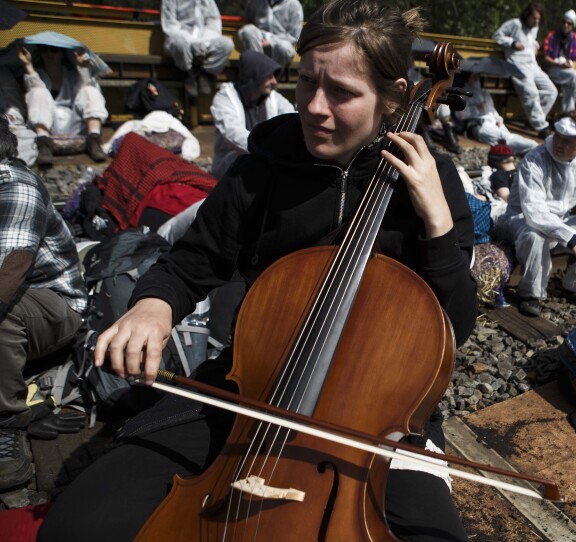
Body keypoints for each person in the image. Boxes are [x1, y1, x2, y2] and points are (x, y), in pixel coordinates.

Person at [37, 2, 476, 541]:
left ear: (394, 96)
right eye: (306, 82)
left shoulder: (433, 181)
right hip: (254, 389)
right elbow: (192, 261)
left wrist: (435, 222)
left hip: (379, 419)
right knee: (79, 527)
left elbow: (456, 324)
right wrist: (153, 305)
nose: (314, 107)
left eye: (341, 92)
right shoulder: (266, 166)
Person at [0, 114, 87, 491]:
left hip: (54, 307)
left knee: (2, 314)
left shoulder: (16, 186)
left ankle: (8, 424)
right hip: (20, 299)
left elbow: (6, 281)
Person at [494, 109, 576, 317]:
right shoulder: (535, 159)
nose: (559, 144)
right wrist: (573, 241)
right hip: (520, 220)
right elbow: (534, 212)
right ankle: (531, 293)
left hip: (560, 222)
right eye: (558, 137)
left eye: (568, 141)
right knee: (535, 236)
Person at [17, 41, 109, 166]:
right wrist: (28, 65)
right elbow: (34, 87)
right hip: (48, 128)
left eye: (54, 50)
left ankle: (94, 139)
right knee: (38, 91)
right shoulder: (38, 75)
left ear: (62, 54)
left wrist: (83, 68)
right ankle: (44, 145)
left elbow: (85, 90)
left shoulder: (72, 75)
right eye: (44, 49)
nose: (49, 54)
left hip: (74, 127)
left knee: (90, 90)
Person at [210, 50, 295, 180]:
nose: (274, 81)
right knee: (249, 160)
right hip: (230, 163)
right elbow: (234, 134)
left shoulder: (272, 97)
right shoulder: (224, 98)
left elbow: (292, 118)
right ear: (254, 75)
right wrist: (269, 150)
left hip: (268, 157)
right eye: (268, 75)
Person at [493, 3, 558, 139]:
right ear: (527, 15)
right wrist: (512, 43)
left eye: (538, 19)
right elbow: (497, 35)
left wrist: (535, 45)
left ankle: (533, 120)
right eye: (534, 18)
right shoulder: (515, 24)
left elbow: (531, 41)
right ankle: (541, 127)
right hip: (518, 64)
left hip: (533, 65)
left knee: (551, 91)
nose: (537, 21)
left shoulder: (534, 28)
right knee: (531, 93)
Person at [160, 0, 234, 97]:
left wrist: (203, 42)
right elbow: (171, 26)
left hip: (204, 39)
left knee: (226, 44)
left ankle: (205, 74)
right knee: (179, 44)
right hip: (182, 38)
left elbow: (214, 24)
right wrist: (192, 42)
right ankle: (188, 74)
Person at [457, 71, 538, 155]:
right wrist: (477, 108)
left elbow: (492, 110)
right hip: (479, 125)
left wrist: (498, 118)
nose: (477, 79)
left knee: (507, 135)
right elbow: (460, 115)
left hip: (494, 122)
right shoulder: (463, 95)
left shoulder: (485, 93)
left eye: (478, 77)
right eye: (474, 77)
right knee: (503, 138)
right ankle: (531, 147)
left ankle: (530, 148)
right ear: (467, 78)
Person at [541, 9, 576, 113]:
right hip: (552, 70)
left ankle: (566, 116)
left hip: (565, 73)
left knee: (570, 88)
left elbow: (574, 61)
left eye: (569, 23)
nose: (566, 25)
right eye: (564, 22)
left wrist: (569, 65)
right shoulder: (552, 36)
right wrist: (559, 64)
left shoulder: (575, 38)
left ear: (572, 25)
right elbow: (545, 58)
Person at [238, 0, 304, 69]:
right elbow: (248, 18)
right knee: (247, 30)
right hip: (260, 41)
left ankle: (273, 75)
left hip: (282, 42)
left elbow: (295, 36)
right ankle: (258, 71)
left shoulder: (294, 4)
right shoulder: (255, 2)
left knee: (283, 47)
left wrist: (271, 41)